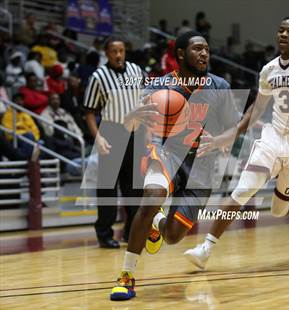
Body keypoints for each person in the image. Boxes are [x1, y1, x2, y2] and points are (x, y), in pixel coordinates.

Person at [184, 17, 289, 270]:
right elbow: (256, 110)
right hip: (273, 138)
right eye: (281, 30)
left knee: (279, 210)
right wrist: (225, 136)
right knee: (241, 192)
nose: (284, 34)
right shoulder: (269, 69)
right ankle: (205, 249)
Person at [109, 31, 242, 301]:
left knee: (172, 236)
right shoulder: (158, 86)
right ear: (180, 54)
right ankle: (126, 275)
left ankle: (158, 222)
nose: (204, 54)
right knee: (150, 199)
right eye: (197, 49)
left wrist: (219, 141)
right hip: (166, 153)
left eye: (206, 49)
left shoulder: (219, 87)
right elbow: (129, 125)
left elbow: (233, 127)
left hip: (201, 166)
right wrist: (131, 117)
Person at [83, 37, 149, 249]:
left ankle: (131, 232)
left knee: (134, 189)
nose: (118, 55)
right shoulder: (98, 77)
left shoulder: (136, 71)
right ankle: (104, 234)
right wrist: (98, 138)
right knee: (108, 188)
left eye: (121, 50)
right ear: (107, 53)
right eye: (114, 51)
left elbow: (146, 100)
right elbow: (90, 113)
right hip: (111, 132)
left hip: (136, 132)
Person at [1, 93, 40, 157]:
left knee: (40, 143)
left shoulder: (26, 114)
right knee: (29, 136)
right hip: (15, 139)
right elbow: (8, 133)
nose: (20, 102)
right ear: (13, 102)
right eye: (17, 100)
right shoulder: (7, 115)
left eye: (21, 100)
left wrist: (35, 138)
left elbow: (35, 129)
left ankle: (33, 162)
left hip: (30, 138)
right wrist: (26, 132)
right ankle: (25, 159)